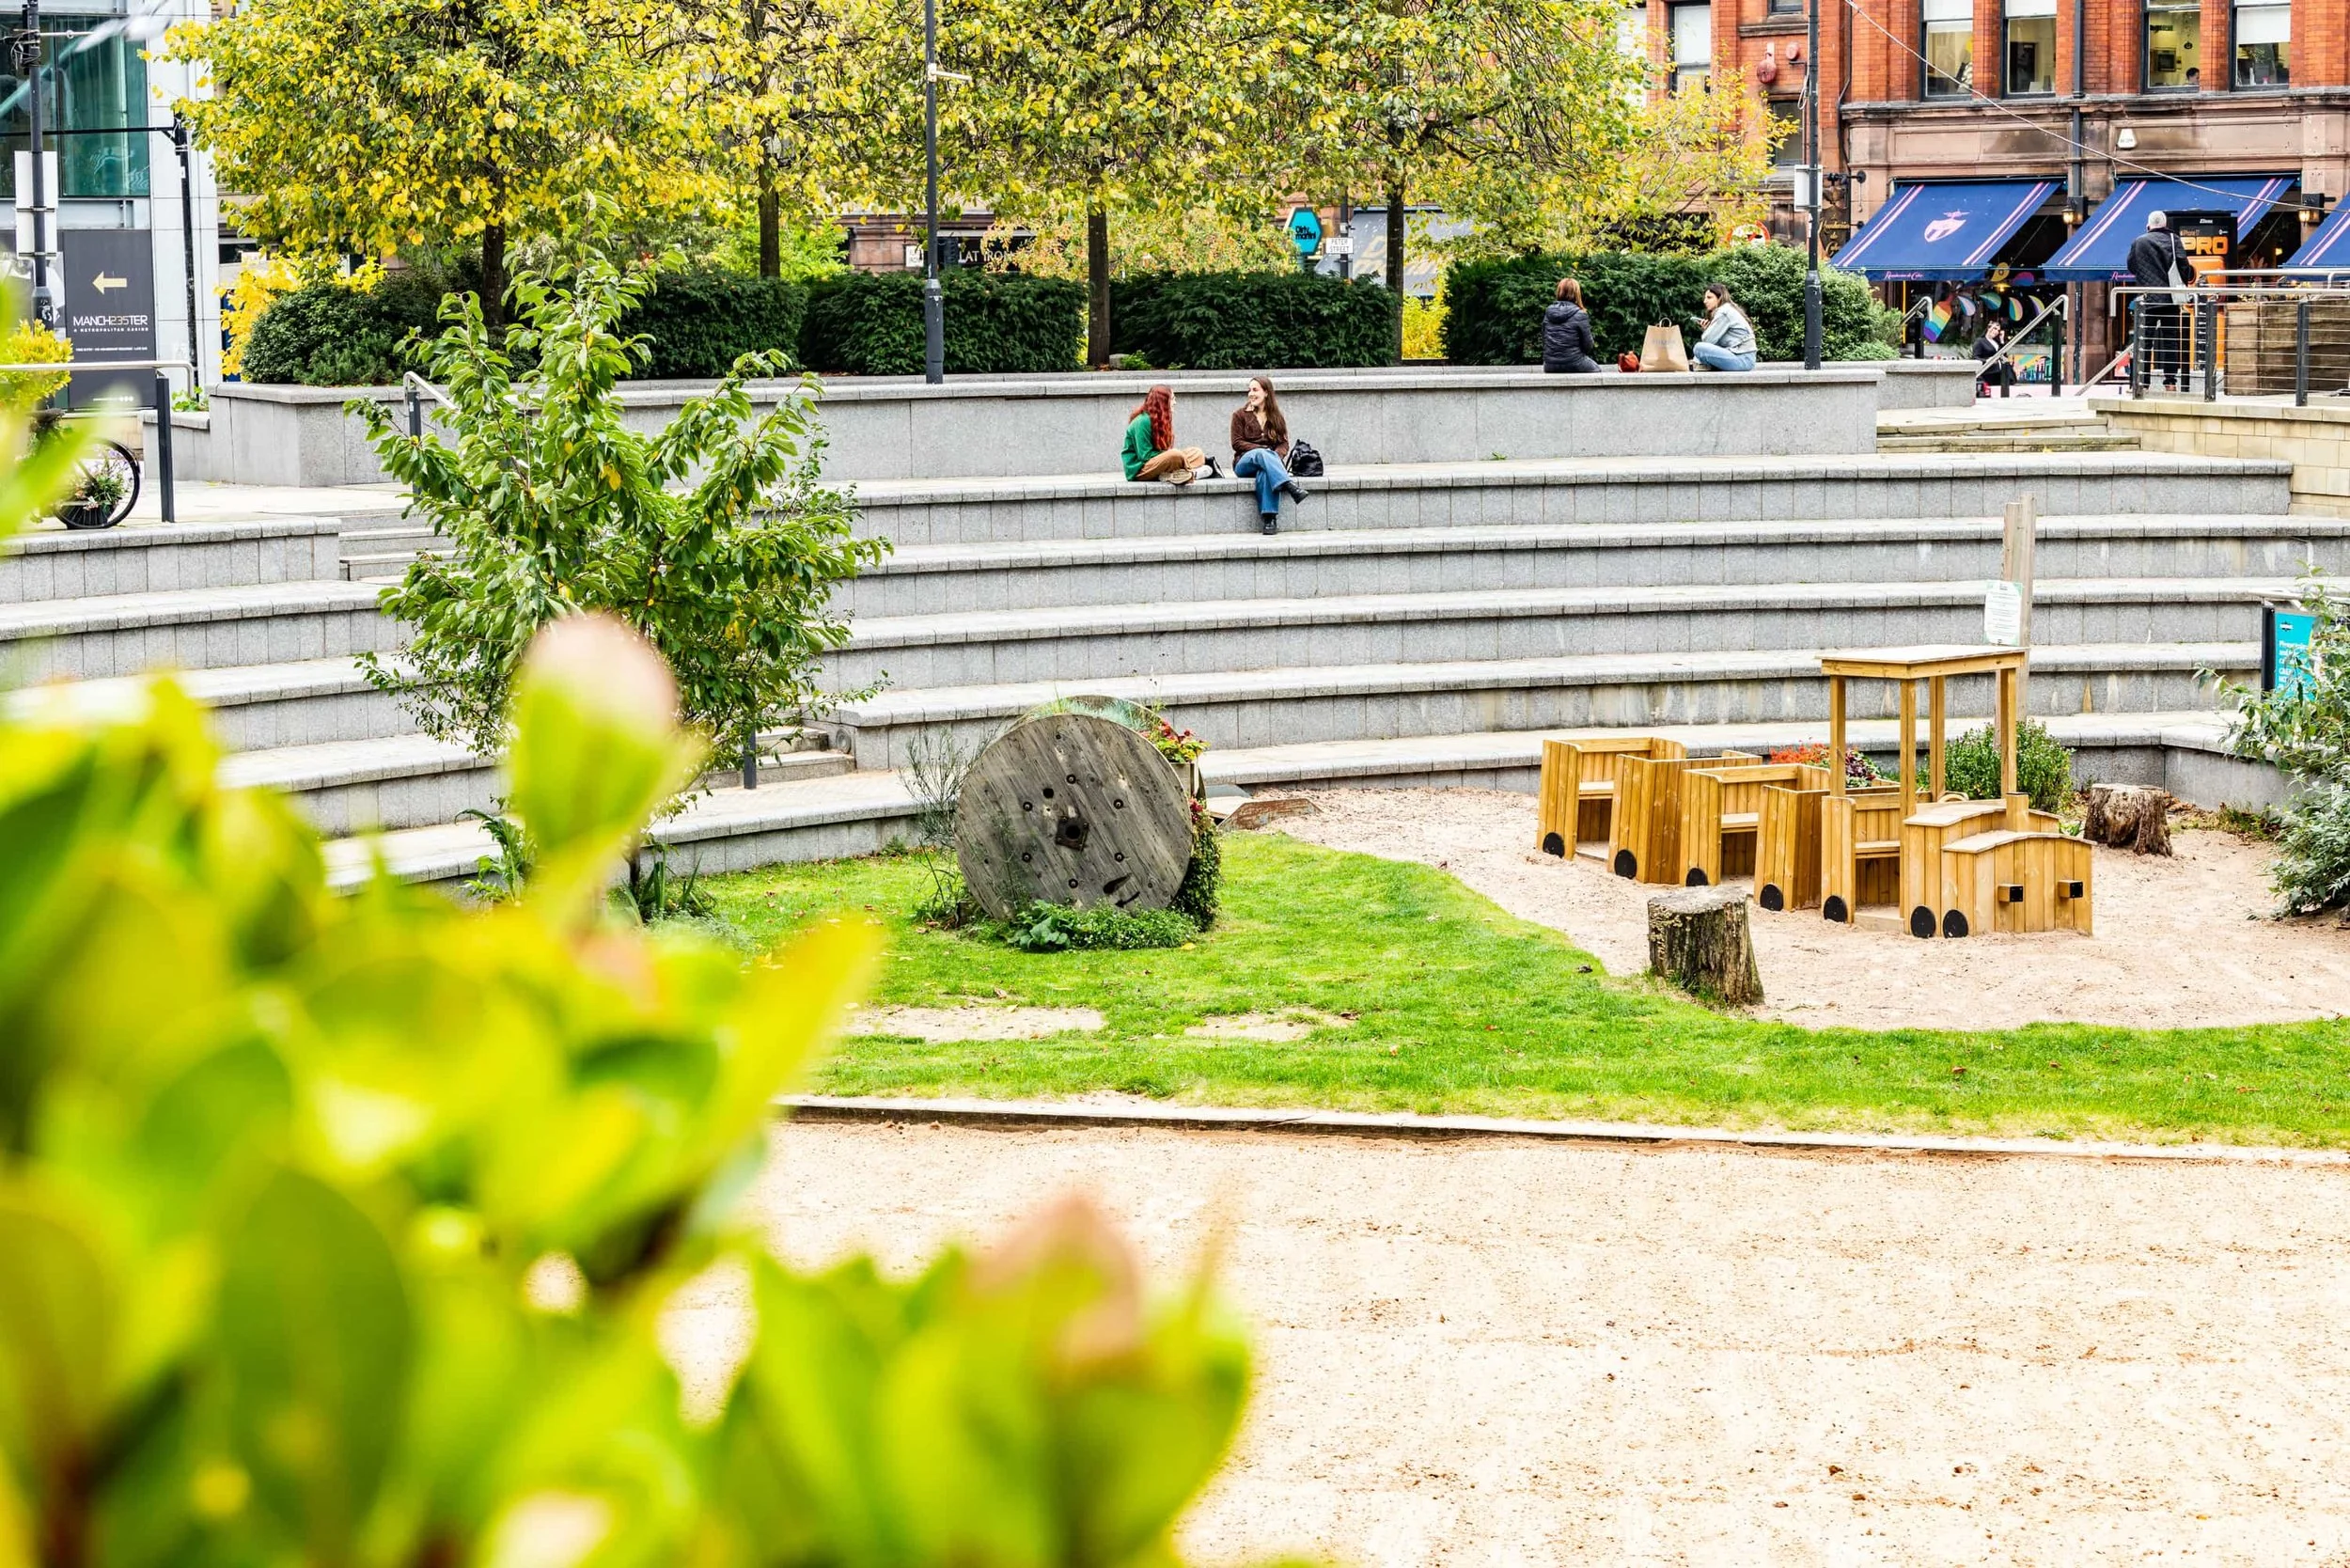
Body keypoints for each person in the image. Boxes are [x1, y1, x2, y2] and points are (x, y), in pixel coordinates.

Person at [1230, 375, 1308, 535]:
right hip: (1244, 462)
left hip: (1268, 464)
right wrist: (1263, 451)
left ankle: (1269, 519)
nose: (1251, 394)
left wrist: (1275, 457)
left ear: (1266, 393)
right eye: (1249, 390)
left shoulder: (1276, 416)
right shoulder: (1239, 415)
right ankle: (1289, 485)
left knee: (1265, 473)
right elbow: (1236, 443)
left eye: (1255, 390)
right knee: (1261, 454)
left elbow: (1283, 444)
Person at [2125, 210, 2188, 392]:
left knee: (2145, 340)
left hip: (2147, 298)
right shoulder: (2174, 240)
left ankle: (2143, 383)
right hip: (2170, 297)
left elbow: (2132, 266)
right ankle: (2170, 382)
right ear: (2165, 224)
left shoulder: (2139, 242)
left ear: (2148, 226)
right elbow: (2184, 266)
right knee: (2170, 340)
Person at [1120, 385, 1214, 485]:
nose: (1175, 402)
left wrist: (1170, 456)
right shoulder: (1142, 422)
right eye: (1172, 399)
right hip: (1140, 470)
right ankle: (1192, 474)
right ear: (1163, 402)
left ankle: (1174, 475)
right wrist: (1169, 456)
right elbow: (1145, 456)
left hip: (1159, 463)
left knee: (1197, 453)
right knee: (1175, 455)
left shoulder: (1161, 419)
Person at [1692, 281, 1757, 372]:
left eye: (1709, 297)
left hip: (1742, 359)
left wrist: (1707, 330)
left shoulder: (1724, 312)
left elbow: (1707, 340)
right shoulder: (1728, 309)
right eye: (1705, 298)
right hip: (1742, 358)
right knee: (1701, 351)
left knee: (1699, 348)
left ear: (1720, 298)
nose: (1705, 301)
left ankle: (1702, 365)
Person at [1542, 277, 1600, 374]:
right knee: (1596, 369)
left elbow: (1544, 338)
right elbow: (1588, 345)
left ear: (1559, 291)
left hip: (1550, 365)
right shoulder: (1580, 314)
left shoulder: (1548, 312)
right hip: (1574, 361)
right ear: (1576, 293)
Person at [1971, 317, 2016, 396]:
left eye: (1998, 330)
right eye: (1994, 328)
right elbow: (1975, 357)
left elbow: (2003, 355)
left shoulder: (1996, 342)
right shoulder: (1980, 341)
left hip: (2002, 371)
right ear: (1989, 328)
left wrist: (2002, 340)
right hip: (1990, 372)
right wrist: (1987, 360)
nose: (1996, 332)